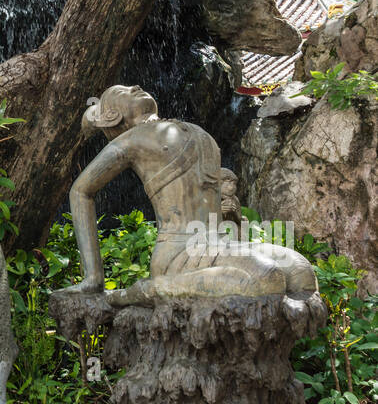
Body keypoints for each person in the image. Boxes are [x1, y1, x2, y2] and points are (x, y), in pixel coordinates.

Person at [69, 85, 316, 305]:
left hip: (220, 244)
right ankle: (147, 290)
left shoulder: (193, 130)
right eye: (122, 92)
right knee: (266, 278)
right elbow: (80, 191)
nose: (135, 86)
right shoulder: (129, 141)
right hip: (180, 253)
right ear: (113, 115)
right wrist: (94, 277)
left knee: (301, 271)